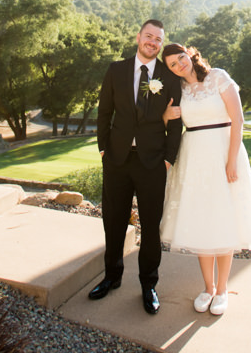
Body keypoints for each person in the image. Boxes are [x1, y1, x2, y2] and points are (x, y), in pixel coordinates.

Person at [159, 43, 251, 316]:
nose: (179, 65)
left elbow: (238, 119)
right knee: (201, 219)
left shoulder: (218, 76)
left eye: (180, 58)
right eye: (172, 64)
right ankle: (207, 288)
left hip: (223, 152)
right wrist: (164, 117)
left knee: (224, 218)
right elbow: (166, 127)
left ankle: (222, 290)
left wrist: (231, 160)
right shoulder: (178, 91)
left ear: (190, 54)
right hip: (193, 157)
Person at [88, 19, 183, 315]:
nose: (152, 42)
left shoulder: (168, 76)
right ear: (138, 36)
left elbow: (175, 121)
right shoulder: (116, 70)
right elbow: (104, 112)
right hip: (116, 159)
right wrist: (103, 148)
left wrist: (169, 159)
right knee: (114, 221)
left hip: (153, 161)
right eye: (148, 36)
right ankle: (111, 277)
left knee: (150, 225)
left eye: (158, 39)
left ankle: (148, 285)